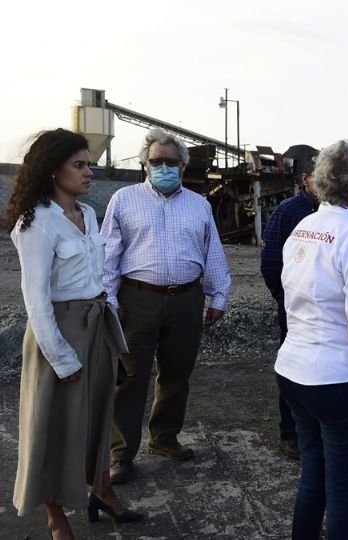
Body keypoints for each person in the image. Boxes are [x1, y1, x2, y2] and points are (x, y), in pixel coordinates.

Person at [6, 129, 143, 539]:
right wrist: (61, 357)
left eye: (90, 165)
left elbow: (96, 277)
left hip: (95, 325)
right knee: (54, 424)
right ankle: (55, 518)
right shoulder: (36, 224)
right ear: (53, 170)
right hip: (60, 333)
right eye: (79, 165)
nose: (89, 173)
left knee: (100, 415)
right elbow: (36, 300)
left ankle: (102, 492)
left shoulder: (89, 215)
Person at [274, 139, 348, 539]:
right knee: (344, 496)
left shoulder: (305, 228)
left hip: (294, 372)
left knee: (314, 477)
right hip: (339, 381)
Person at [102, 128, 232, 483]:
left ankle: (163, 438)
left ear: (183, 166)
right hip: (136, 299)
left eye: (170, 162)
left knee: (176, 375)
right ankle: (122, 454)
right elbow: (108, 254)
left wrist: (218, 295)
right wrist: (109, 300)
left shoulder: (199, 204)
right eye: (156, 161)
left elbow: (212, 252)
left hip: (186, 300)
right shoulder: (124, 200)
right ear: (145, 163)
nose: (163, 167)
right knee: (129, 378)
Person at [261, 156, 320, 460]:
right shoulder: (288, 211)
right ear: (305, 179)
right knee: (295, 368)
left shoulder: (333, 212)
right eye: (317, 175)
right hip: (295, 308)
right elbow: (270, 263)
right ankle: (291, 436)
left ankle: (317, 430)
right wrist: (286, 299)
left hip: (326, 311)